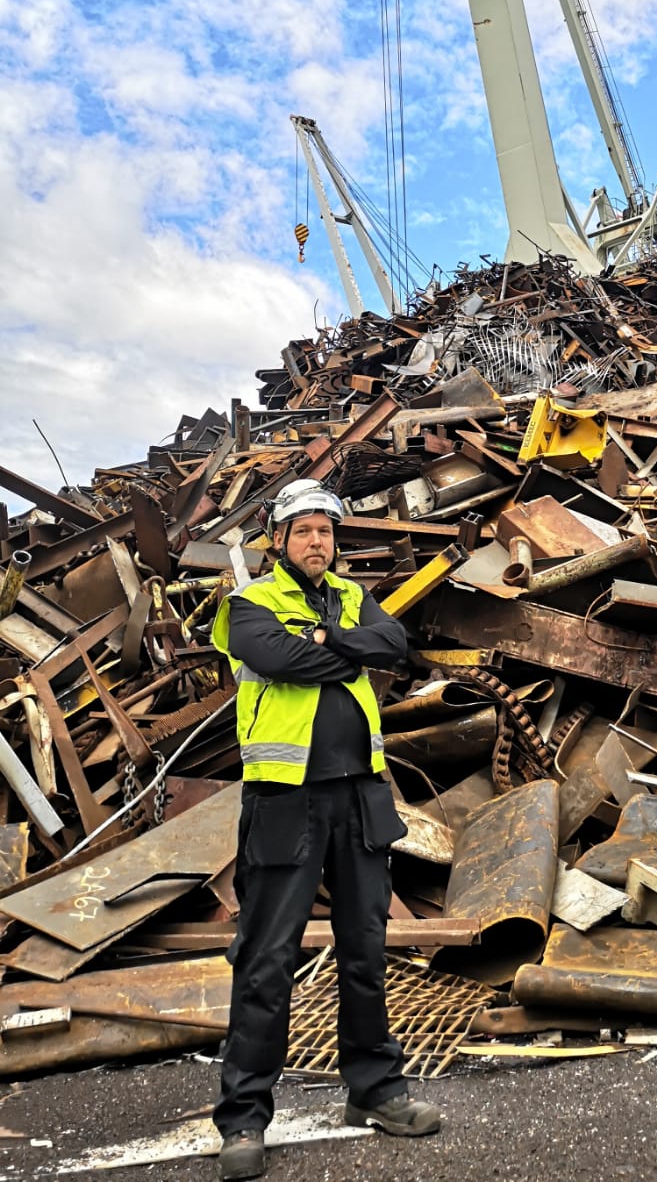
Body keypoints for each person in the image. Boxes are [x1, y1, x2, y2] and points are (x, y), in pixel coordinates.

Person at [210, 478, 440, 1181]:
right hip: (286, 804)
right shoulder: (249, 606)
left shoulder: (347, 598)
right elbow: (282, 660)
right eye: (305, 530)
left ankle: (375, 1091)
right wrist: (347, 652)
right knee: (266, 961)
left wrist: (331, 638)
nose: (318, 542)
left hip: (360, 800)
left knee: (366, 951)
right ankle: (244, 1118)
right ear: (279, 540)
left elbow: (394, 644)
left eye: (327, 532)